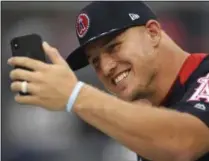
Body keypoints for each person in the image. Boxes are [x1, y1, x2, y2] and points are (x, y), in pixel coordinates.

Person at [8, 2, 209, 161]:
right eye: (95, 61)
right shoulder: (148, 117)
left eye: (114, 47)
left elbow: (181, 144)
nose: (105, 68)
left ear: (153, 32)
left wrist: (75, 95)